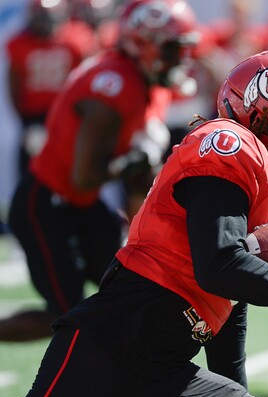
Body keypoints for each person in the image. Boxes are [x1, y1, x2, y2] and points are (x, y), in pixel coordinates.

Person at [0, 48, 268, 397]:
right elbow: (219, 267)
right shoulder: (229, 144)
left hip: (166, 373)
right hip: (109, 348)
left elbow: (230, 302)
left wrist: (235, 395)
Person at [1, 0, 198, 342]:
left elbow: (133, 185)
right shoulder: (114, 85)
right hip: (45, 201)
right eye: (172, 48)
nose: (179, 58)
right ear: (143, 44)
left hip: (81, 202)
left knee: (130, 280)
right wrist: (132, 161)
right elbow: (84, 176)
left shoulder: (147, 80)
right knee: (63, 311)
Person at [6, 0, 85, 176]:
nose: (44, 23)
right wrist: (24, 118)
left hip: (66, 115)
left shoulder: (75, 39)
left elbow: (84, 82)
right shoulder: (20, 43)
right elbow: (14, 83)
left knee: (68, 166)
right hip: (35, 117)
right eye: (40, 17)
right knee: (31, 168)